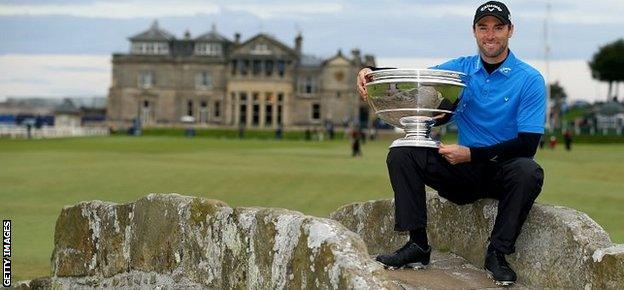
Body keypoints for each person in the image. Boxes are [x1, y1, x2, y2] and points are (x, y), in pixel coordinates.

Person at [356, 1, 545, 286]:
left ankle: (497, 253)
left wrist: (472, 154)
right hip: (461, 173)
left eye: (498, 27)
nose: (490, 35)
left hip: (501, 171)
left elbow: (527, 145)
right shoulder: (460, 70)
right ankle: (417, 245)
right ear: (474, 31)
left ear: (510, 31)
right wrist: (371, 70)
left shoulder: (530, 79)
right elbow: (417, 80)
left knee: (529, 170)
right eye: (483, 27)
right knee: (403, 152)